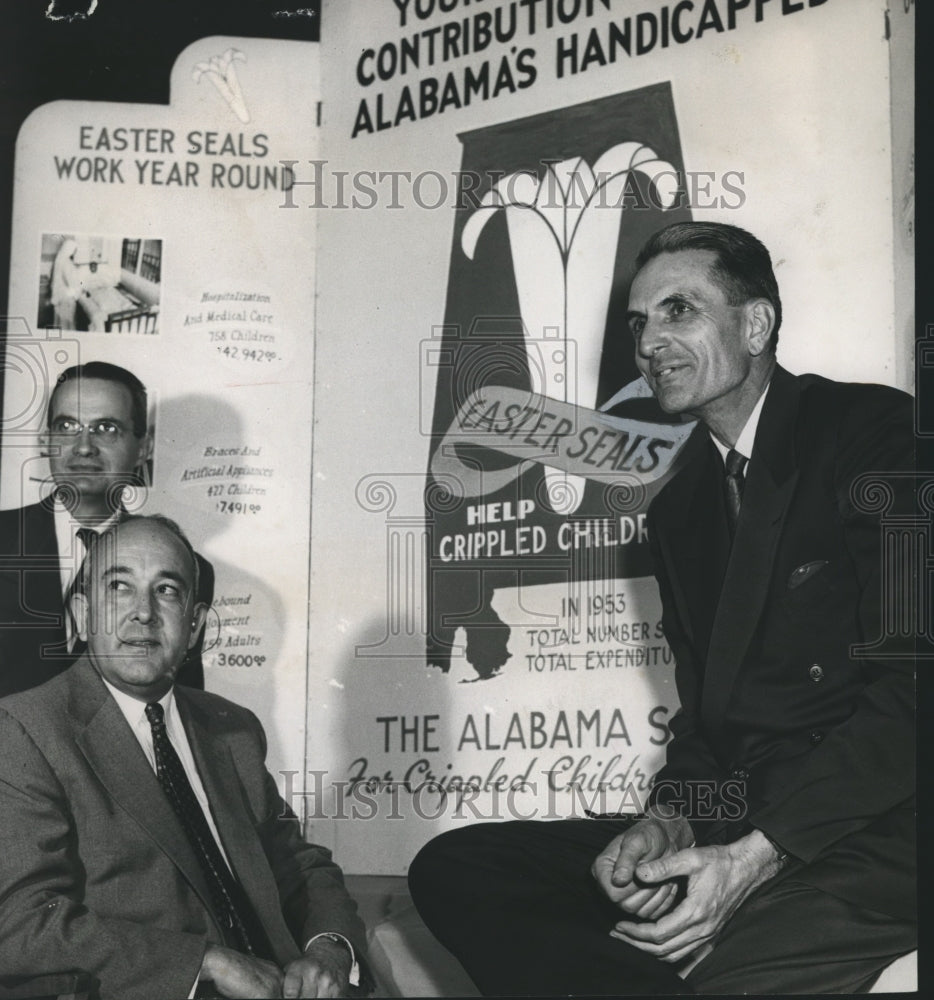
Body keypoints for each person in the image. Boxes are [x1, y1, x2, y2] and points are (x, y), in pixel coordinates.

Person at [408, 221, 917, 994]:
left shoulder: (876, 434)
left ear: (756, 325)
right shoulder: (679, 511)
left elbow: (916, 690)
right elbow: (711, 729)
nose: (649, 343)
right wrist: (666, 824)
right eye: (639, 323)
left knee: (723, 978)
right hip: (740, 816)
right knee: (460, 866)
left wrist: (753, 858)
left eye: (679, 311)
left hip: (876, 824)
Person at [0, 515, 369, 999]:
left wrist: (330, 949)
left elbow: (299, 866)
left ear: (193, 626)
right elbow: (19, 921)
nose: (144, 613)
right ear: (83, 615)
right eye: (120, 587)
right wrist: (205, 964)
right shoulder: (25, 729)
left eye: (167, 591)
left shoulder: (231, 728)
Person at [0, 360, 211, 696]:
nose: (84, 446)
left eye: (106, 429)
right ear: (46, 438)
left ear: (144, 448)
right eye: (67, 426)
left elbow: (181, 705)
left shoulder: (184, 567)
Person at [49, 237, 82, 329]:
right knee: (66, 324)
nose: (74, 252)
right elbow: (72, 282)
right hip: (66, 298)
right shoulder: (66, 263)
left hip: (59, 295)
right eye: (74, 250)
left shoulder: (59, 259)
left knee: (59, 323)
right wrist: (79, 290)